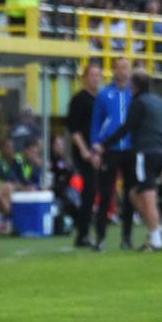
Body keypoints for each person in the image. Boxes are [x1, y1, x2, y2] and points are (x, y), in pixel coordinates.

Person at [94, 69, 162, 251]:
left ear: (134, 86)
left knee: (147, 195)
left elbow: (127, 127)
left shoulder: (139, 103)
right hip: (161, 152)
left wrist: (105, 144)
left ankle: (155, 239)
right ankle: (157, 228)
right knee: (134, 194)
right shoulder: (159, 102)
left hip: (145, 152)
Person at [88, 56, 135, 252]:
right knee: (106, 194)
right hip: (110, 150)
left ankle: (127, 237)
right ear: (114, 71)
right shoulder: (104, 95)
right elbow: (96, 123)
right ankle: (100, 237)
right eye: (120, 67)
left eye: (126, 67)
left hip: (131, 149)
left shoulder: (135, 95)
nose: (123, 71)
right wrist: (95, 147)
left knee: (131, 194)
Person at [65, 60, 102, 248]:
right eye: (92, 75)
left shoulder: (99, 99)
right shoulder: (79, 99)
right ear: (85, 78)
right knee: (89, 192)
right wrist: (85, 151)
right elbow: (74, 129)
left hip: (98, 151)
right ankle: (82, 232)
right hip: (86, 152)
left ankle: (88, 231)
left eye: (98, 75)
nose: (95, 79)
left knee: (95, 192)